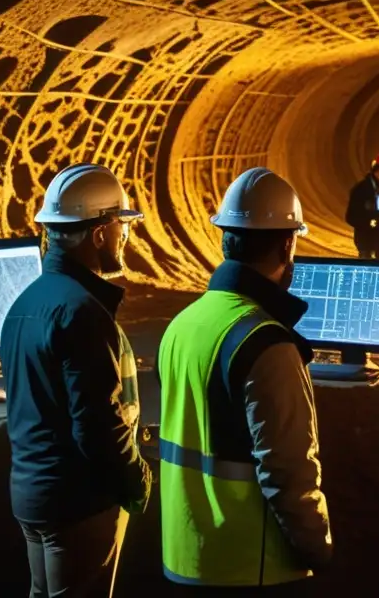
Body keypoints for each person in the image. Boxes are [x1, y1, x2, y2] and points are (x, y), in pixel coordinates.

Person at [158, 167, 332, 595]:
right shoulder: (265, 343)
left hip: (185, 557)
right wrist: (319, 552)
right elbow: (289, 473)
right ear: (288, 242)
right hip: (252, 565)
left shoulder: (183, 324)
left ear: (225, 239)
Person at [0, 163, 152, 598]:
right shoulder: (83, 312)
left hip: (31, 496)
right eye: (121, 225)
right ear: (100, 232)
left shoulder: (25, 304)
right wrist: (137, 481)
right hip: (79, 503)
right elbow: (98, 425)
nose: (125, 236)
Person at [345, 150, 379, 259]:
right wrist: (369, 222)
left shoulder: (378, 189)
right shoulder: (362, 189)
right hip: (367, 246)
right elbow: (350, 217)